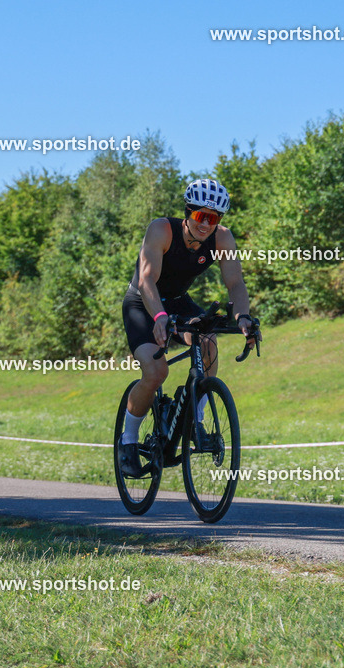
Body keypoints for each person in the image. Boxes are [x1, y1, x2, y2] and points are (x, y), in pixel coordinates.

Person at [118, 179, 255, 477]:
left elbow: (235, 282)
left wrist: (244, 317)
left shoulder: (222, 238)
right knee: (156, 373)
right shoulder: (162, 230)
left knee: (208, 343)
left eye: (214, 218)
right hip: (143, 303)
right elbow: (146, 280)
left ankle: (196, 421)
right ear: (188, 212)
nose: (207, 224)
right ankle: (127, 441)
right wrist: (160, 318)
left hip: (179, 301)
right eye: (200, 216)